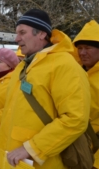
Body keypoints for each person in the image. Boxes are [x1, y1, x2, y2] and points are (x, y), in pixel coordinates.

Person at [0, 9, 90, 169]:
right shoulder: (22, 67)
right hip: (13, 159)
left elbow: (75, 119)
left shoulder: (64, 64)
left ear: (42, 34)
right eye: (16, 33)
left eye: (22, 32)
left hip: (42, 162)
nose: (17, 39)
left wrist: (32, 148)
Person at [72, 20, 99, 169]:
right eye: (80, 48)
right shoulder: (74, 73)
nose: (82, 53)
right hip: (74, 149)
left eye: (87, 48)